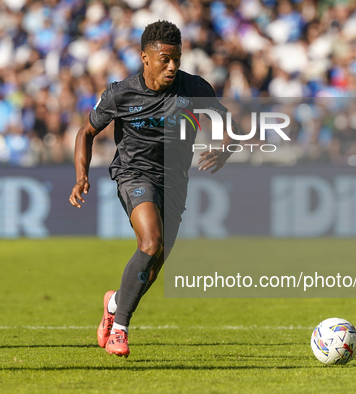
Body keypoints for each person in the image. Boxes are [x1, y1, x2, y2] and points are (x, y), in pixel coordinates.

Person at [69, 20, 232, 357]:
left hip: (175, 181)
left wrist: (224, 148)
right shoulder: (120, 93)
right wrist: (81, 176)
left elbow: (224, 120)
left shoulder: (194, 88)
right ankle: (120, 330)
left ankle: (114, 302)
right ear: (145, 57)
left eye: (177, 59)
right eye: (164, 59)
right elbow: (85, 132)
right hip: (134, 174)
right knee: (150, 241)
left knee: (154, 263)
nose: (172, 66)